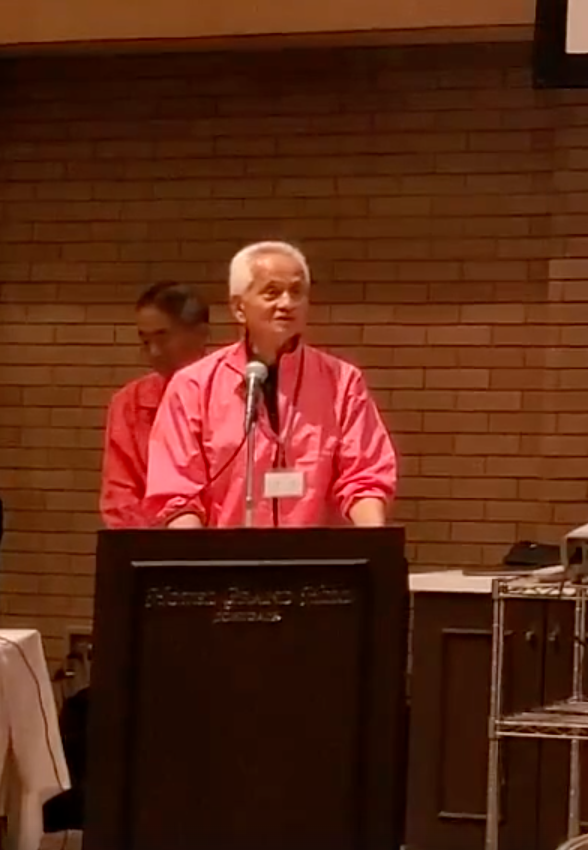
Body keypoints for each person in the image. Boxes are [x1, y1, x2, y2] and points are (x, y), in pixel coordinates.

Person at [145, 241, 396, 529]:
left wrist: (373, 541)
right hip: (224, 553)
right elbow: (177, 492)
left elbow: (365, 477)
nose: (287, 304)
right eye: (272, 292)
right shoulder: (193, 386)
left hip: (318, 553)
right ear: (239, 308)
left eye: (296, 292)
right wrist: (195, 554)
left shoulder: (342, 381)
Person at [100, 281, 209, 528]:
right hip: (151, 539)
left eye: (163, 337)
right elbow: (120, 493)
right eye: (145, 341)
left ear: (202, 334)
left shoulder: (230, 394)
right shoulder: (129, 403)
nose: (154, 351)